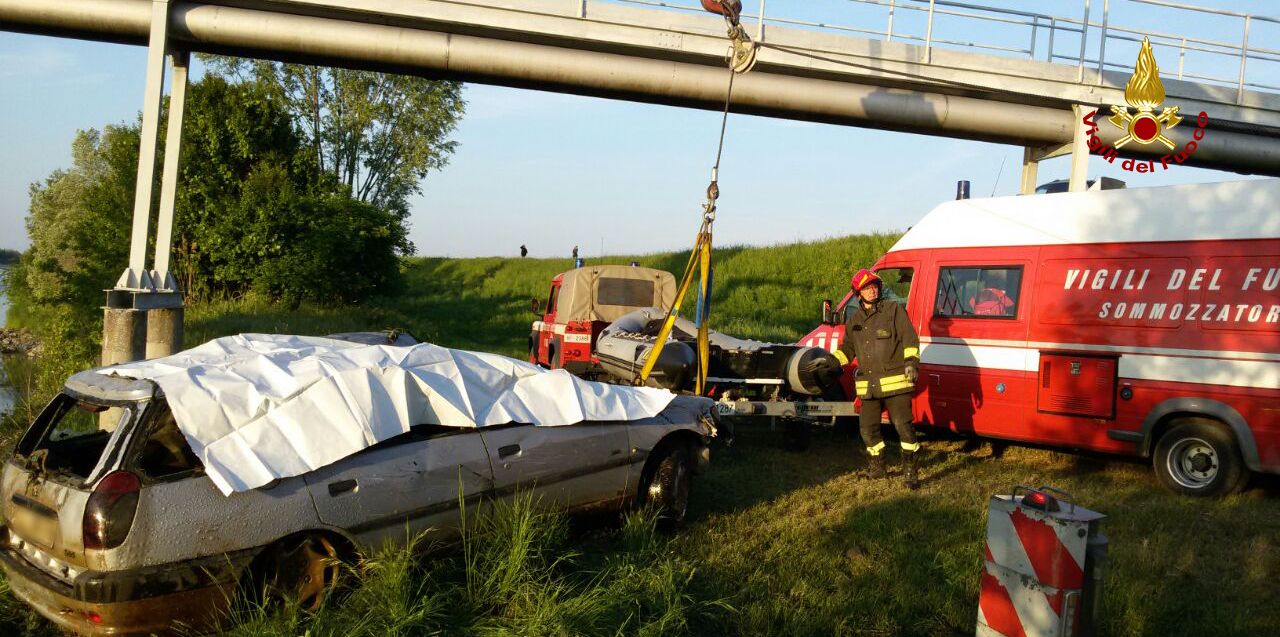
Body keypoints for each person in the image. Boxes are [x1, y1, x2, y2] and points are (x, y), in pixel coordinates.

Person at [807, 268, 923, 489]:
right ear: (858, 293)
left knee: (903, 427)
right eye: (866, 288)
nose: (872, 291)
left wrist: (911, 364)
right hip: (868, 387)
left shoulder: (894, 310)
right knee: (868, 430)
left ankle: (910, 471)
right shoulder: (855, 320)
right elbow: (847, 350)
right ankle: (878, 469)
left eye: (874, 287)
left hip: (896, 383)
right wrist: (830, 361)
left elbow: (910, 340)